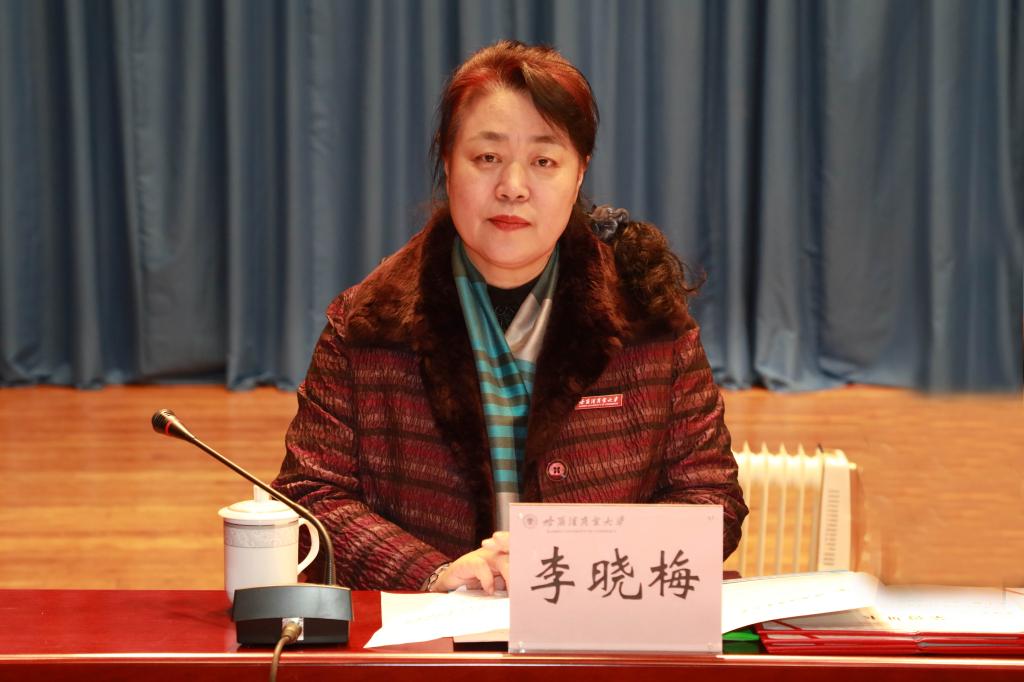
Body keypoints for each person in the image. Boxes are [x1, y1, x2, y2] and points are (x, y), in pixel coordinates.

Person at [272, 40, 748, 593]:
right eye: (487, 158)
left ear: (579, 173)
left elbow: (711, 500)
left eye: (544, 161)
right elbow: (308, 499)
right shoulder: (365, 323)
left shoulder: (649, 318)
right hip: (433, 632)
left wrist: (574, 560)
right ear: (447, 163)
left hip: (595, 624)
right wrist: (433, 573)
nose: (512, 188)